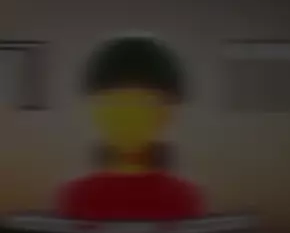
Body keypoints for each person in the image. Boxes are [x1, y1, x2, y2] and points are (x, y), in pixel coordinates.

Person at [56, 36, 204, 221]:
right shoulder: (74, 196)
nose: (129, 118)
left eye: (144, 104)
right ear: (96, 111)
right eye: (117, 104)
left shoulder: (184, 196)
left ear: (167, 114)